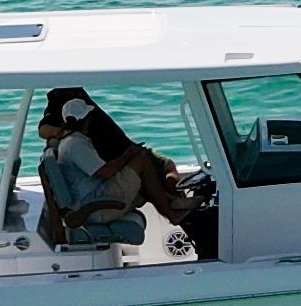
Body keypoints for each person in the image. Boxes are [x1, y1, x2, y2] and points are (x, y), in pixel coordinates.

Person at [34, 88, 207, 253]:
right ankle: (173, 212)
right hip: (97, 204)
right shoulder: (75, 144)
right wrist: (127, 156)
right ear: (86, 119)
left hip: (96, 192)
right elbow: (104, 172)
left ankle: (172, 201)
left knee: (151, 171)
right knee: (142, 161)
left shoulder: (75, 141)